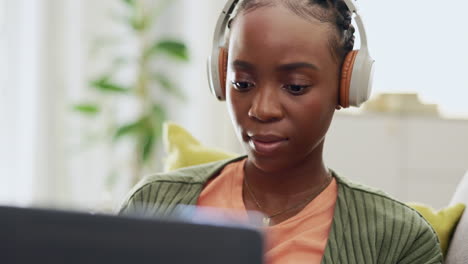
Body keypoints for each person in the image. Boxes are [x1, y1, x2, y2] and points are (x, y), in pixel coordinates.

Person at [119, 0, 443, 263]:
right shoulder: (152, 205)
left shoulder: (400, 240)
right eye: (242, 83)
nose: (262, 109)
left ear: (346, 88)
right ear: (220, 78)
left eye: (295, 86)